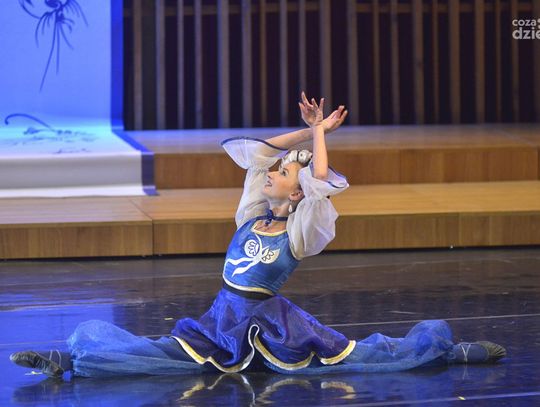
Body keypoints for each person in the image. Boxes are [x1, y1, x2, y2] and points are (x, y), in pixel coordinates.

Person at [10, 92, 506, 378]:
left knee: (362, 358)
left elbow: (318, 184)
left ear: (298, 191)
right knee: (162, 350)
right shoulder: (250, 215)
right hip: (221, 317)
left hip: (274, 324)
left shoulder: (300, 232)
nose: (271, 171)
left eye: (283, 172)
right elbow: (260, 152)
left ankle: (448, 351)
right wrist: (308, 131)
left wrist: (319, 138)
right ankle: (66, 359)